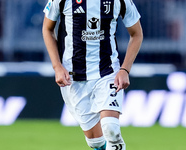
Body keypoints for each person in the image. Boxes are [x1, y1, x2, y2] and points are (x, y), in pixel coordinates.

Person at [42, 0, 143, 149]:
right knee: (96, 142)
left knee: (111, 130)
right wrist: (57, 66)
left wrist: (124, 70)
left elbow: (137, 34)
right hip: (73, 78)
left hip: (108, 72)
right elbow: (47, 28)